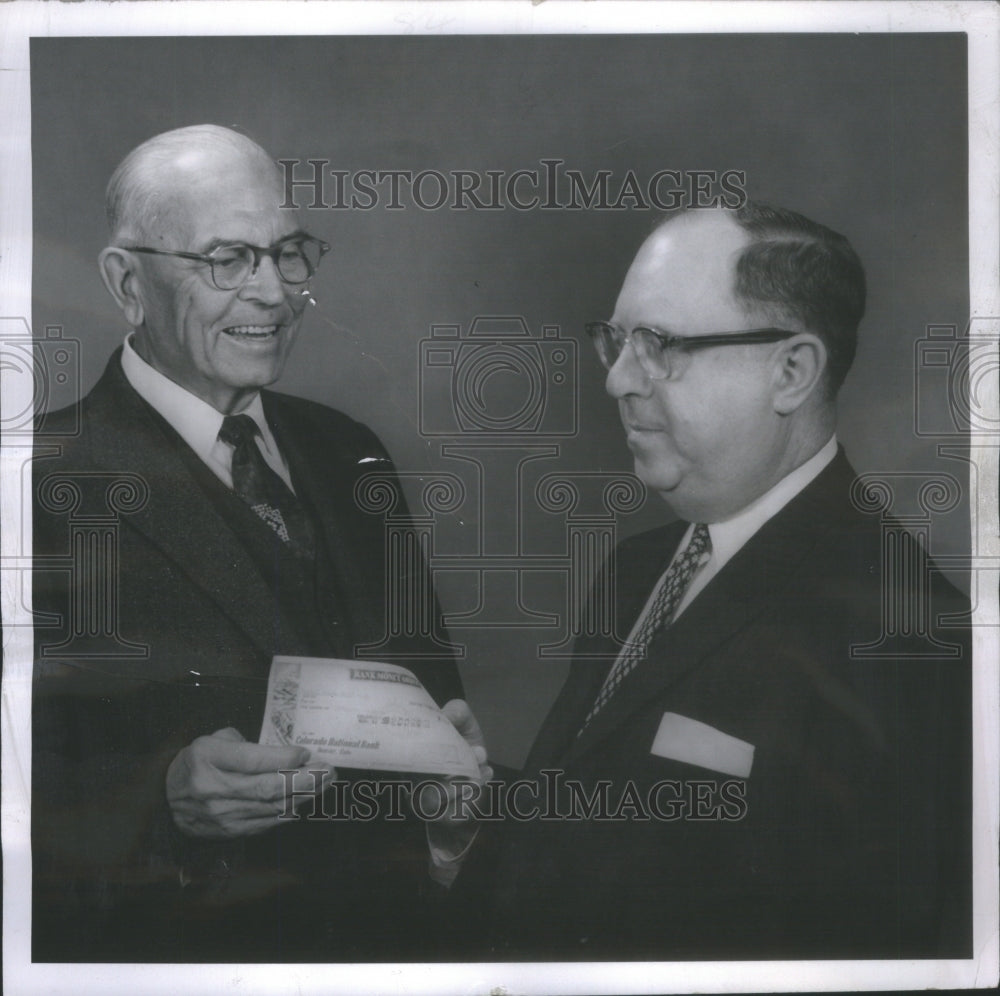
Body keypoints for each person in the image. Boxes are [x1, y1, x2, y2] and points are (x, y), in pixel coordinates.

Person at [468, 204, 971, 959]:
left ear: (792, 371)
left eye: (660, 344)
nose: (615, 380)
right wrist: (471, 815)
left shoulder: (909, 632)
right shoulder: (637, 567)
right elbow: (613, 821)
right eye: (617, 339)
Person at [31, 124, 468, 962]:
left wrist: (451, 816)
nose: (273, 292)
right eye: (228, 259)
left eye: (288, 253)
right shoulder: (31, 484)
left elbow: (432, 707)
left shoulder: (349, 450)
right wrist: (162, 801)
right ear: (128, 283)